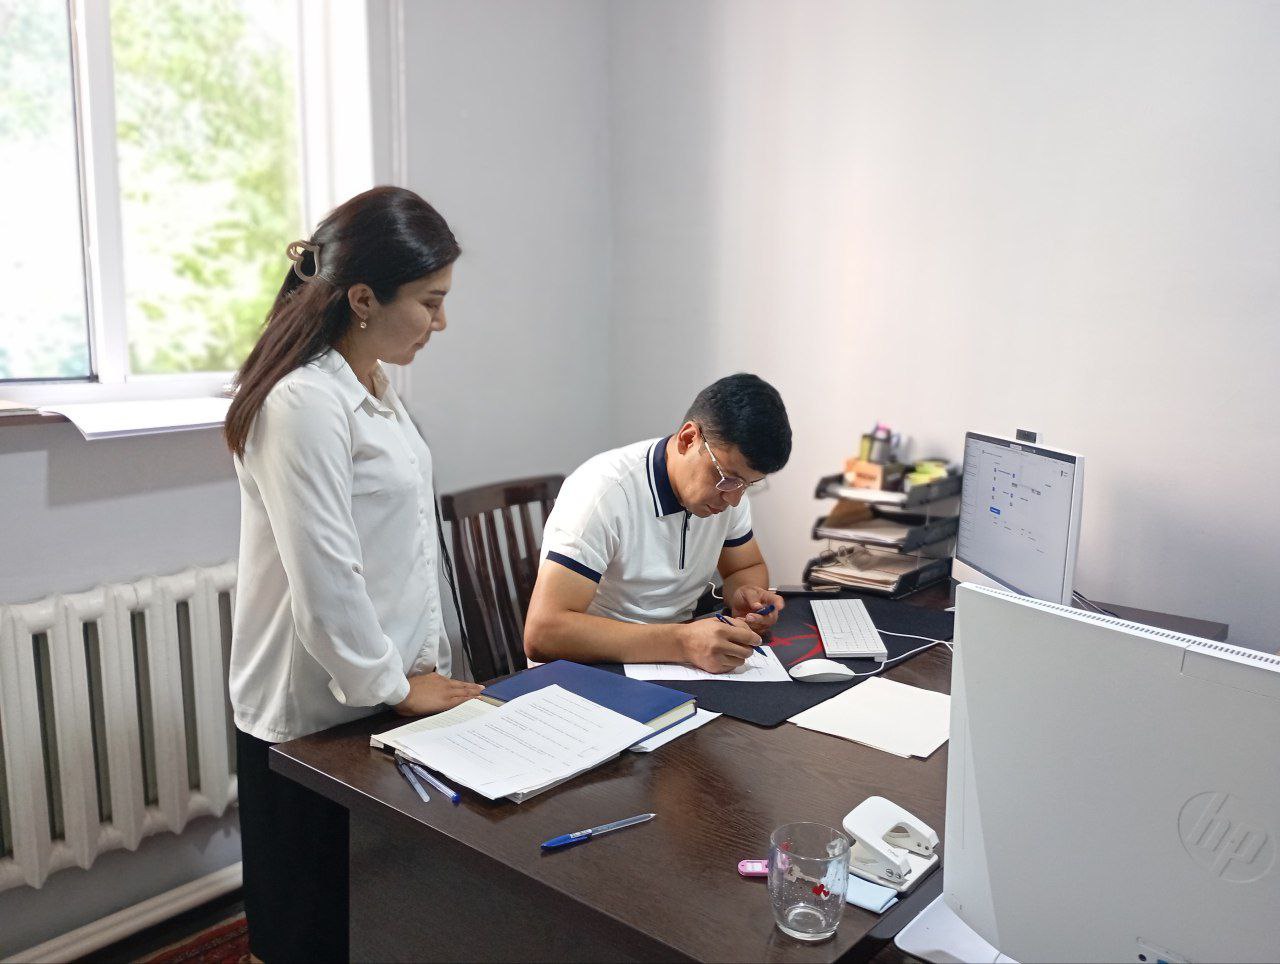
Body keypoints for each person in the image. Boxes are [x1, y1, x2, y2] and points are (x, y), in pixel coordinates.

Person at [224, 186, 483, 962]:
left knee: (376, 918)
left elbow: (401, 550)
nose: (441, 323)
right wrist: (397, 685)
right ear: (364, 298)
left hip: (377, 692)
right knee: (306, 937)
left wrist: (418, 672)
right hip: (314, 713)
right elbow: (328, 584)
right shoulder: (303, 401)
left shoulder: (373, 388)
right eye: (430, 302)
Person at [524, 373, 792, 672]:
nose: (734, 499)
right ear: (688, 439)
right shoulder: (603, 491)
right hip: (592, 667)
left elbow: (745, 567)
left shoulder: (728, 492)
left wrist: (745, 597)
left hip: (674, 659)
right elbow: (544, 633)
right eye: (728, 479)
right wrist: (683, 643)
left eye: (748, 485)